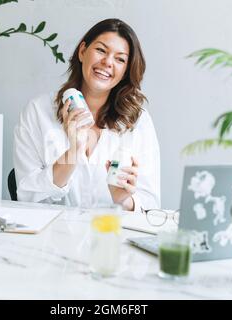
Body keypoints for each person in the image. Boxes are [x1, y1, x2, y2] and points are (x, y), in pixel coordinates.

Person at [13, 18, 160, 212]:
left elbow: (151, 206)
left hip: (111, 235)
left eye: (120, 59)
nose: (107, 62)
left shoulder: (137, 122)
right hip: (52, 236)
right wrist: (74, 152)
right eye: (101, 50)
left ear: (125, 71)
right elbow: (27, 197)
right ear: (83, 51)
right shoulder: (38, 112)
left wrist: (123, 199)